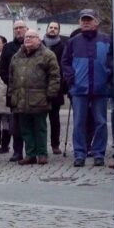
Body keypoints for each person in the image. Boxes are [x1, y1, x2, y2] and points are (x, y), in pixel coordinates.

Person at [62, 9, 112, 167]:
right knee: (79, 123)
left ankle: (98, 153)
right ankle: (79, 154)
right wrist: (71, 79)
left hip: (100, 88)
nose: (86, 22)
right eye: (83, 20)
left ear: (96, 22)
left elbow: (113, 61)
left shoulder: (106, 40)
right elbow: (65, 62)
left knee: (101, 122)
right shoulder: (73, 41)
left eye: (89, 19)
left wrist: (108, 77)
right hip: (79, 89)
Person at [9, 29, 61, 165]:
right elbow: (11, 78)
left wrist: (51, 93)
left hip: (39, 98)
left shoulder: (48, 55)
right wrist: (11, 96)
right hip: (20, 99)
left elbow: (54, 76)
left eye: (31, 37)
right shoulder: (17, 56)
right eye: (26, 37)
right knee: (25, 129)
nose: (28, 39)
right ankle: (30, 154)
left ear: (39, 39)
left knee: (40, 128)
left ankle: (42, 154)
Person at [0, 20, 27, 161]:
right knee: (16, 124)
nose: (19, 30)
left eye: (21, 27)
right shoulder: (8, 47)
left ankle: (34, 151)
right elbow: (2, 69)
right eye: (16, 28)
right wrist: (10, 83)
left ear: (26, 29)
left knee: (33, 122)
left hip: (33, 92)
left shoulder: (36, 45)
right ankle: (17, 151)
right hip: (15, 92)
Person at [42, 21, 69, 155]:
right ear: (46, 29)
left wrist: (63, 85)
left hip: (56, 87)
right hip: (40, 88)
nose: (52, 30)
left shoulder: (63, 46)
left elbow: (65, 66)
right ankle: (40, 146)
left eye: (55, 28)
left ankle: (55, 144)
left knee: (55, 119)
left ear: (59, 31)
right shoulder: (40, 44)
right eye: (50, 27)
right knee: (40, 119)